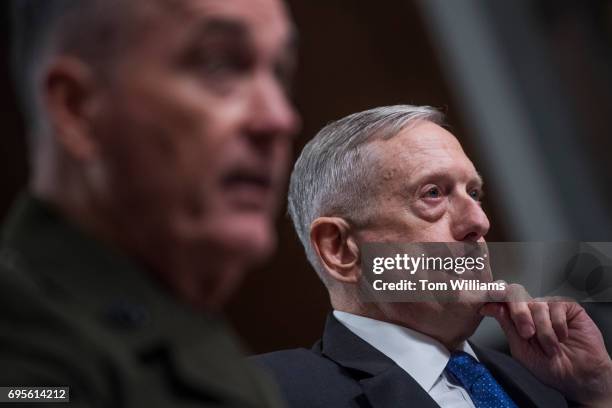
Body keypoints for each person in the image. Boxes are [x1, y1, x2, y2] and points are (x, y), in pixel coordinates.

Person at [1, 0, 299, 406]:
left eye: (279, 72)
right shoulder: (28, 354)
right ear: (77, 107)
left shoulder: (183, 332)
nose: (279, 119)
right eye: (219, 66)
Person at [254, 105, 612, 408]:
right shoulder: (271, 392)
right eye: (433, 194)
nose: (479, 221)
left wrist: (597, 393)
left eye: (474, 193)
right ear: (339, 248)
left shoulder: (550, 381)